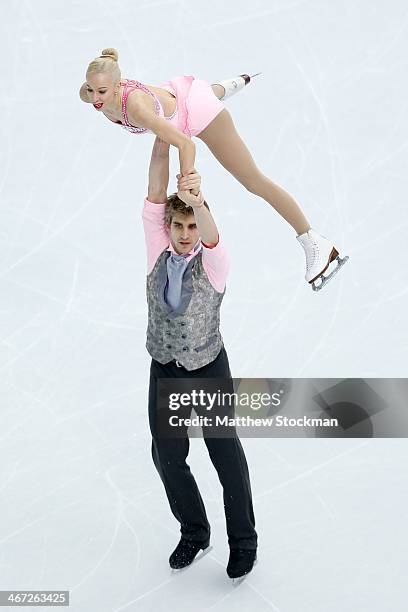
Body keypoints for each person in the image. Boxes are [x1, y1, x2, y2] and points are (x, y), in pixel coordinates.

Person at [79, 48, 349, 290]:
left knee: (253, 181)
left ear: (117, 86)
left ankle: (314, 242)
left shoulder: (137, 109)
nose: (95, 98)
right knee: (202, 92)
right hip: (179, 97)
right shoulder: (92, 95)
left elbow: (185, 144)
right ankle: (224, 87)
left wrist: (188, 183)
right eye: (91, 90)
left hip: (195, 112)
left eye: (101, 92)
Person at [143, 135, 257, 580]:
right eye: (179, 227)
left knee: (225, 457)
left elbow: (211, 234)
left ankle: (243, 542)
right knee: (167, 456)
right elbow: (154, 192)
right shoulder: (158, 251)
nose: (186, 235)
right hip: (165, 367)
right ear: (168, 228)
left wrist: (198, 200)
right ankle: (194, 531)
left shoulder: (213, 261)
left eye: (191, 227)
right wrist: (160, 130)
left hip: (208, 367)